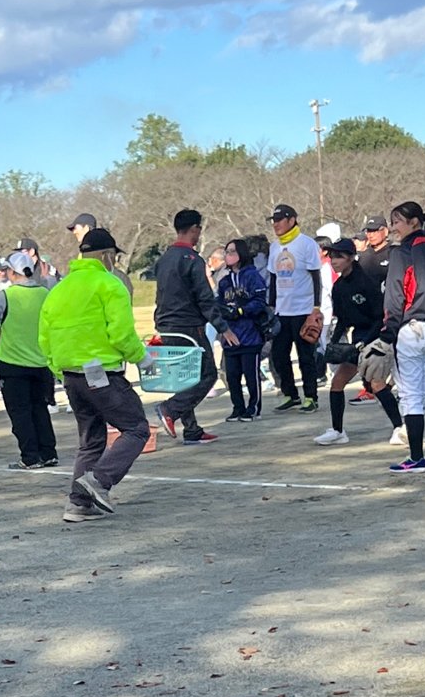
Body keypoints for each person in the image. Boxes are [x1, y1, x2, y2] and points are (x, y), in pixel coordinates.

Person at [40, 227, 148, 523]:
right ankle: (100, 480)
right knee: (137, 428)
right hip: (102, 373)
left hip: (71, 375)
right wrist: (142, 357)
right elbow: (122, 334)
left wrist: (58, 370)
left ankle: (78, 504)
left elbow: (45, 338)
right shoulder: (110, 284)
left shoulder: (58, 290)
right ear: (107, 255)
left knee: (90, 440)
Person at [379, 201, 425, 472]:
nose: (394, 226)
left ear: (414, 222)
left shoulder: (402, 252)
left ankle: (417, 457)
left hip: (412, 327)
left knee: (410, 395)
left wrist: (389, 330)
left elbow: (396, 294)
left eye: (397, 221)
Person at [316, 237, 400, 446]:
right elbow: (343, 319)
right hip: (357, 339)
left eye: (339, 257)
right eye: (332, 256)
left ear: (352, 258)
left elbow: (380, 316)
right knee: (337, 383)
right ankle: (337, 431)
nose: (334, 261)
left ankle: (400, 428)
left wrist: (365, 343)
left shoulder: (366, 282)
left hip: (375, 338)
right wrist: (333, 342)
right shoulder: (338, 287)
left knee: (377, 384)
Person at [152, 208, 225, 444]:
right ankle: (170, 409)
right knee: (207, 375)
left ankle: (191, 429)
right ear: (195, 229)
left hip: (166, 324)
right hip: (188, 326)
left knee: (187, 377)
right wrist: (223, 327)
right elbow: (205, 298)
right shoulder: (192, 260)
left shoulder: (163, 260)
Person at [0, 252, 58, 469]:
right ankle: (48, 453)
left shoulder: (3, 297)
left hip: (12, 362)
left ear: (12, 272)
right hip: (42, 362)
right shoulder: (46, 293)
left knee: (20, 413)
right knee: (40, 409)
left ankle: (30, 457)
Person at [264, 203, 324, 413]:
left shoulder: (306, 243)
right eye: (274, 221)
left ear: (291, 220)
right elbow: (273, 278)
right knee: (279, 355)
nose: (276, 225)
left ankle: (311, 396)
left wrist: (316, 307)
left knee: (306, 356)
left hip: (303, 309)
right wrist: (271, 307)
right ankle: (290, 394)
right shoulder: (274, 247)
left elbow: (316, 275)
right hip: (282, 310)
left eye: (280, 220)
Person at [215, 238, 269, 423]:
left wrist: (240, 310)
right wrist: (223, 321)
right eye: (226, 252)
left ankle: (253, 407)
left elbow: (260, 301)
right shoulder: (224, 282)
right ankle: (237, 407)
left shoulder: (252, 276)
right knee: (232, 375)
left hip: (250, 334)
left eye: (231, 252)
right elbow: (218, 305)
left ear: (241, 254)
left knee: (251, 375)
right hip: (231, 336)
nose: (227, 255)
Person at [356, 217, 391, 281]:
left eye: (375, 231)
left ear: (385, 231)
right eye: (369, 231)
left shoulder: (395, 253)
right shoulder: (363, 256)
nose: (371, 235)